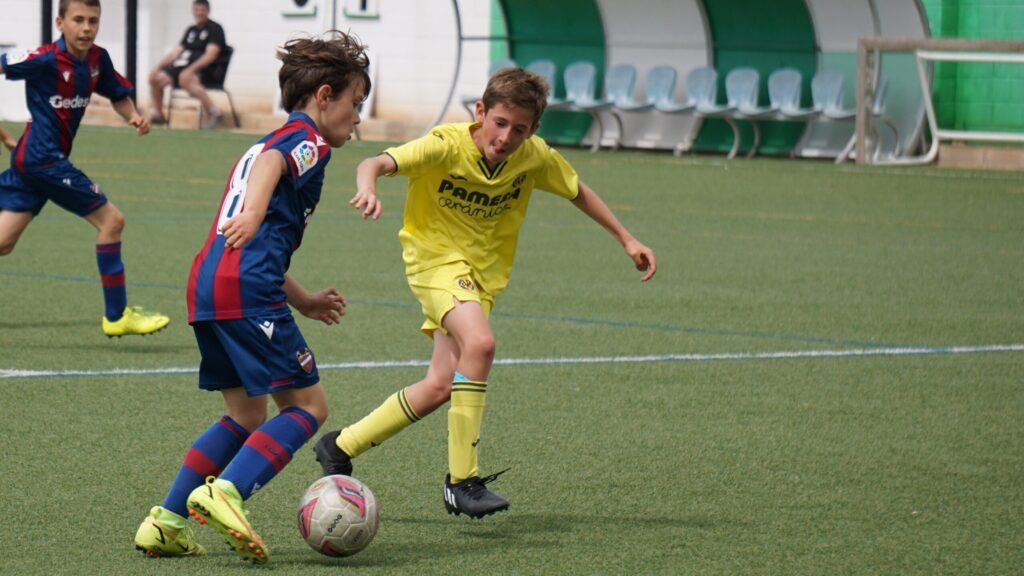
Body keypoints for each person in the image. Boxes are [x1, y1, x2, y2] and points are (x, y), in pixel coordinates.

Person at [314, 67, 658, 519]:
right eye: (499, 123)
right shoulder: (445, 145)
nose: (506, 137)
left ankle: (339, 446)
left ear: (533, 130)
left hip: (482, 279)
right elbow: (375, 161)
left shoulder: (533, 156)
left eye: (519, 129)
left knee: (440, 385)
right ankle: (462, 482)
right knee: (481, 343)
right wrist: (367, 185)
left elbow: (578, 191)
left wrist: (627, 239)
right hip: (435, 263)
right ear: (480, 113)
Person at [133, 31, 370, 563]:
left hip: (211, 284)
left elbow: (257, 229)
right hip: (247, 286)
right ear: (325, 95)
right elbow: (270, 172)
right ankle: (228, 491)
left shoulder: (269, 139)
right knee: (309, 405)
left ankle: (167, 522)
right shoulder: (307, 139)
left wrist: (303, 299)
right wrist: (259, 209)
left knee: (245, 415)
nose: (357, 118)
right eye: (356, 103)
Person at [0, 0, 170, 337]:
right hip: (43, 160)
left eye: (93, 20)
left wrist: (132, 115)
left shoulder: (97, 59)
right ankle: (117, 315)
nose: (86, 28)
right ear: (60, 22)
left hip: (32, 160)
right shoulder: (44, 59)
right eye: (78, 20)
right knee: (112, 221)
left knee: (3, 242)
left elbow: (116, 92)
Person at [148, 0, 227, 129]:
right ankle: (158, 115)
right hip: (185, 68)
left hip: (207, 71)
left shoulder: (215, 29)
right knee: (155, 77)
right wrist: (158, 67)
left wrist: (191, 69)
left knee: (185, 77)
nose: (199, 13)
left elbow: (211, 55)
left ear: (207, 11)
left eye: (202, 10)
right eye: (197, 10)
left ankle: (215, 111)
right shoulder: (191, 30)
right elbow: (176, 52)